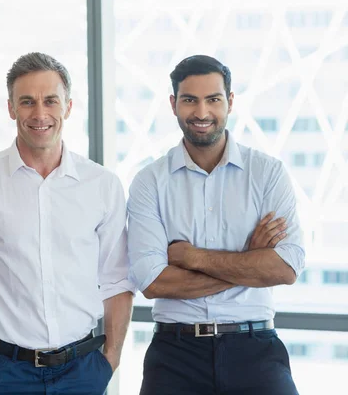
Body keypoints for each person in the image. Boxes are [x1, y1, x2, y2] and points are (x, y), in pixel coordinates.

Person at [0, 52, 135, 394]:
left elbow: (116, 280)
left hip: (84, 370)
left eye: (51, 101)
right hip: (4, 372)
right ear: (11, 108)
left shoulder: (102, 185)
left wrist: (111, 360)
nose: (40, 113)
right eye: (27, 102)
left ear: (69, 107)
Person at [127, 55, 305, 395]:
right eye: (189, 100)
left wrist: (191, 257)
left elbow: (285, 268)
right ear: (173, 104)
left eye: (213, 99)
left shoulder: (268, 173)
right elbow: (152, 281)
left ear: (230, 101)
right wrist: (248, 261)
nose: (202, 113)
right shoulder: (149, 182)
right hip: (174, 355)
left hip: (255, 349)